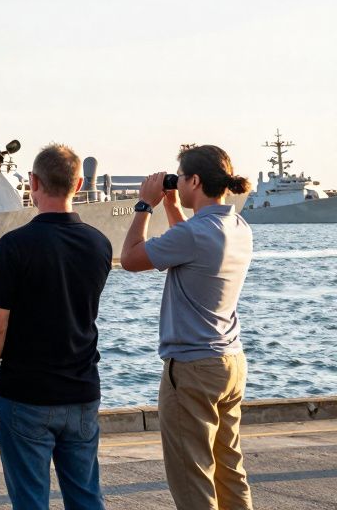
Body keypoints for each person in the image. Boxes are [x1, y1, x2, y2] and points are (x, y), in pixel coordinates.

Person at [120, 145, 254, 510]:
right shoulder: (237, 226)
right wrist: (173, 206)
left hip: (192, 369)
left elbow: (130, 259)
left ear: (194, 180)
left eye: (180, 178)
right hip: (229, 361)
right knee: (229, 471)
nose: (176, 182)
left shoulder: (195, 234)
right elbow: (191, 244)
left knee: (192, 477)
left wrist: (145, 206)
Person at [0, 144, 111, 510]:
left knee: (30, 500)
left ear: (33, 183)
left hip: (25, 393)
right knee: (86, 496)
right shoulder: (100, 244)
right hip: (82, 390)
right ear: (79, 182)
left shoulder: (14, 246)